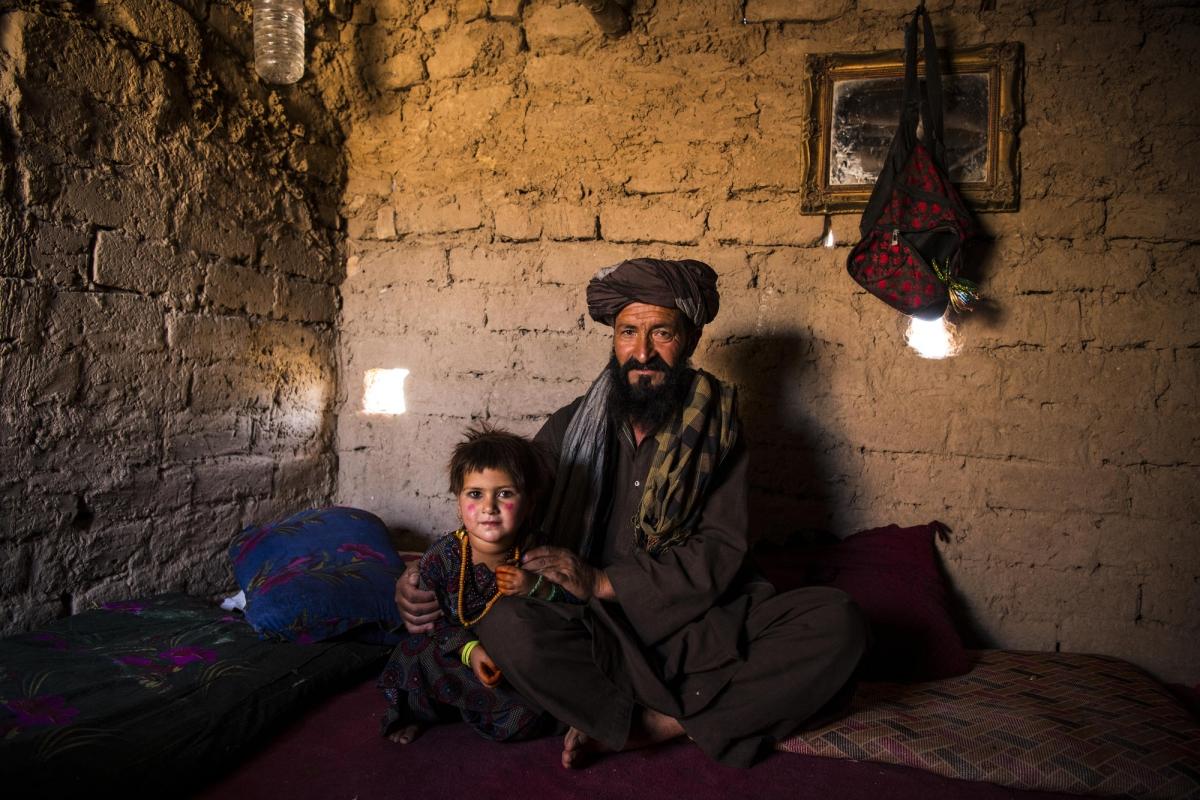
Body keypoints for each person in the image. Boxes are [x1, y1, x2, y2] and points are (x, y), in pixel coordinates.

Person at [395, 258, 868, 768]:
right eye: (628, 333)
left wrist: (601, 581)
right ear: (614, 338)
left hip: (693, 626)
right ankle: (693, 711)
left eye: (660, 332)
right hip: (587, 627)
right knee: (507, 624)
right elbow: (502, 505)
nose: (642, 352)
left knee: (837, 622)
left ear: (687, 339)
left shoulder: (720, 435)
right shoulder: (570, 425)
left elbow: (719, 552)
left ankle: (654, 724)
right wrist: (428, 574)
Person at [378, 425, 577, 745]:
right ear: (458, 503)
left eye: (505, 493)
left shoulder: (538, 553)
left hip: (510, 666)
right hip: (455, 656)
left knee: (528, 717)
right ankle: (419, 713)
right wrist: (469, 650)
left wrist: (535, 588)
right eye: (475, 494)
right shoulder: (440, 559)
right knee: (410, 655)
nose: (489, 507)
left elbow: (569, 600)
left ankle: (468, 708)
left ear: (529, 505)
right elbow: (432, 621)